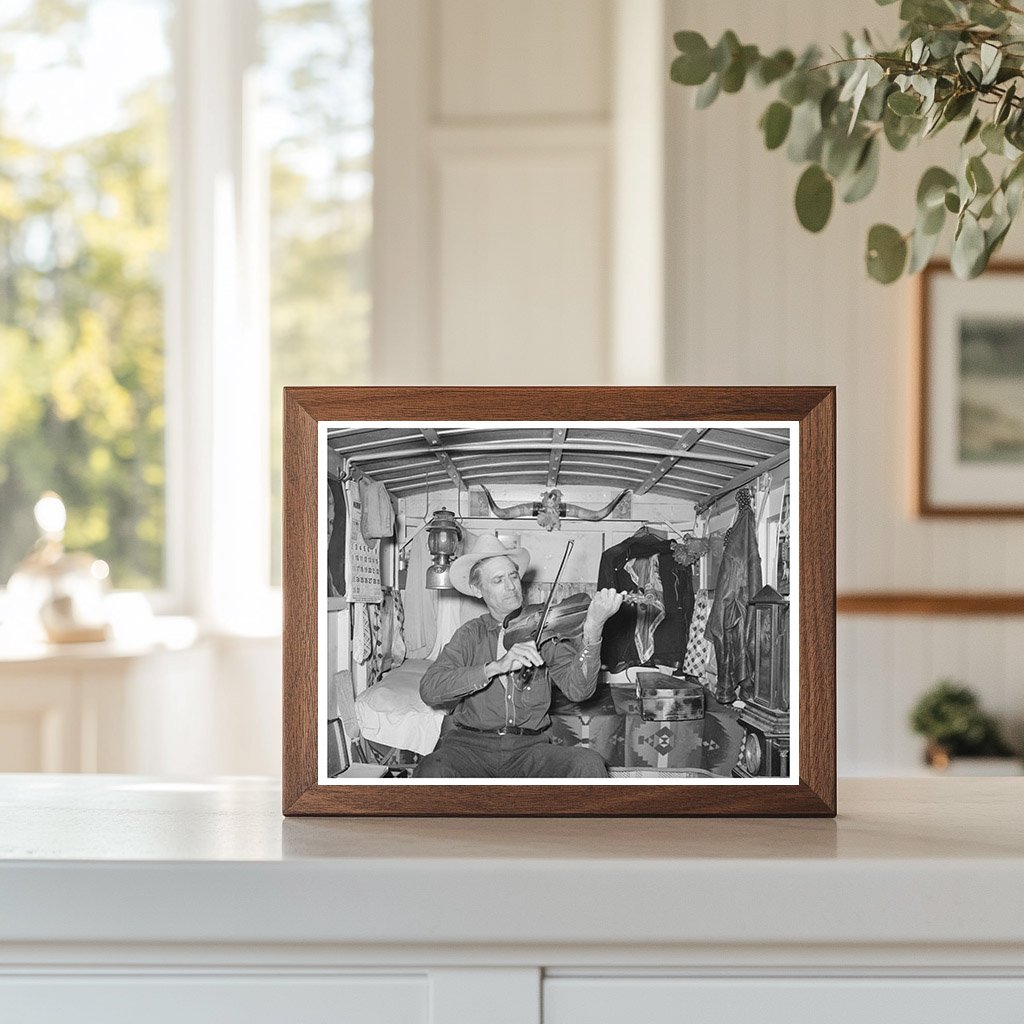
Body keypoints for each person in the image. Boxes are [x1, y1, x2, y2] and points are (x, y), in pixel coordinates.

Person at [414, 535, 623, 778]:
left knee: (588, 763)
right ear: (477, 589)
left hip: (530, 750)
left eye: (513, 576)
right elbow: (429, 689)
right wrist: (493, 667)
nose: (511, 586)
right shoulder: (470, 635)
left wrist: (593, 630)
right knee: (430, 770)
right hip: (469, 749)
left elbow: (580, 690)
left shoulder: (544, 631)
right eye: (498, 580)